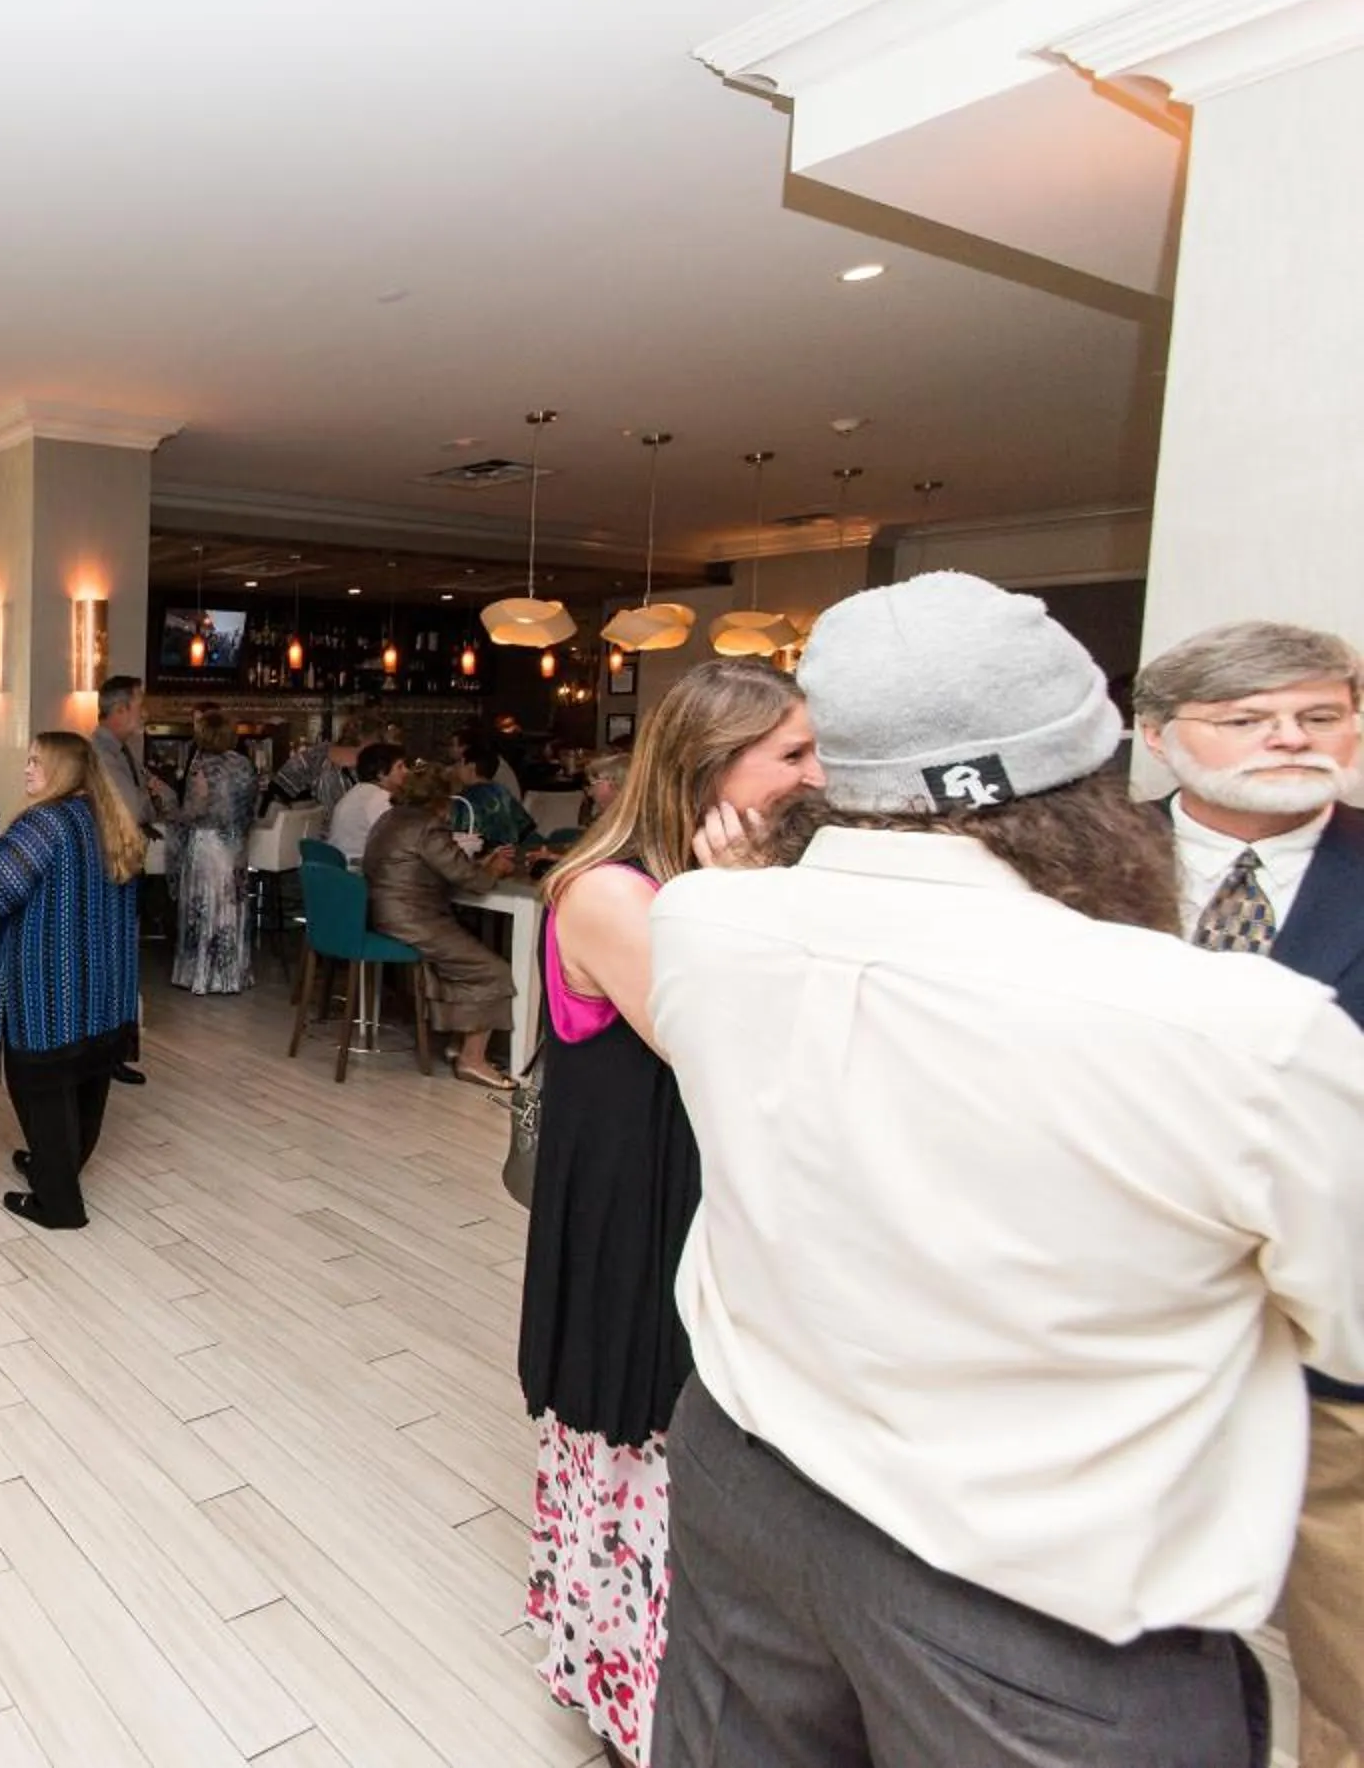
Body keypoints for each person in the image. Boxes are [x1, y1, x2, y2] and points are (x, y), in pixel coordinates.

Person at [646, 573, 1364, 1768]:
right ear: (1096, 770)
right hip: (1035, 1595)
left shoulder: (703, 921)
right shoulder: (1244, 1028)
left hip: (745, 1493)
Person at [514, 660, 821, 1764]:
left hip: (703, 1195)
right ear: (708, 764)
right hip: (637, 1207)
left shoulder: (726, 879)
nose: (818, 775)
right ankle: (635, 1699)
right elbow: (723, 1047)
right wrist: (743, 900)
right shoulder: (613, 891)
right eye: (793, 754)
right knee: (643, 1427)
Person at [1136, 620, 1364, 1768]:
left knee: (1349, 1652)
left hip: (1336, 1333)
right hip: (1123, 1323)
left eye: (1320, 714)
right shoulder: (1065, 864)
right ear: (1158, 736)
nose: (1290, 737)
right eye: (1247, 717)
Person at [0, 731, 144, 1230]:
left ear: (63, 771)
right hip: (103, 991)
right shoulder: (107, 817)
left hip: (48, 993)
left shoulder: (45, 822)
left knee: (41, 1090)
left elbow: (0, 889)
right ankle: (58, 1167)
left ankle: (58, 1203)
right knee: (87, 1084)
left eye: (36, 761)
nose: (27, 769)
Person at [363, 762, 521, 1090]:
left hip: (385, 913)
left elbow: (447, 867)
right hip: (414, 918)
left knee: (462, 957)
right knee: (492, 970)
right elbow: (474, 882)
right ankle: (472, 1060)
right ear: (442, 800)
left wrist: (482, 864)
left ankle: (457, 1044)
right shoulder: (428, 827)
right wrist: (496, 869)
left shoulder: (390, 819)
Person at [88, 675, 158, 1087]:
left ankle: (113, 1052)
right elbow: (135, 808)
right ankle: (105, 1054)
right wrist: (149, 802)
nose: (144, 713)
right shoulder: (101, 753)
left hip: (125, 866)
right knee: (112, 960)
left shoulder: (122, 751)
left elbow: (148, 802)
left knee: (123, 960)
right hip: (110, 869)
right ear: (119, 710)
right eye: (138, 705)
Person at [169, 709, 257, 993]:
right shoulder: (244, 764)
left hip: (208, 843)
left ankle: (201, 974)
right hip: (236, 845)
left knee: (204, 905)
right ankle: (231, 974)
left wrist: (172, 811)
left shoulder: (201, 765)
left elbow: (196, 810)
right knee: (231, 904)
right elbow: (249, 808)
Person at [272, 713, 372, 815]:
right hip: (320, 822)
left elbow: (279, 787)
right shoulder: (316, 757)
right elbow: (279, 790)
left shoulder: (315, 755)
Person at [323, 743, 409, 860]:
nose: (406, 771)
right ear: (381, 774)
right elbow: (395, 839)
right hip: (357, 865)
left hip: (341, 862)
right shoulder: (379, 797)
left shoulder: (359, 790)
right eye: (400, 766)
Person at [452, 739, 539, 852]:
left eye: (459, 763)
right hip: (510, 852)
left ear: (471, 767)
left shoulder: (465, 799)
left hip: (481, 856)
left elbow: (458, 836)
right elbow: (524, 828)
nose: (456, 768)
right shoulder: (503, 792)